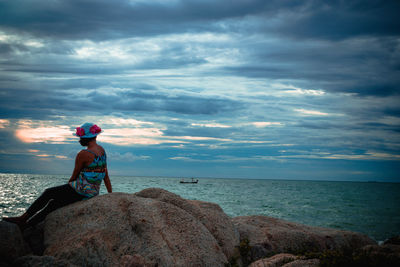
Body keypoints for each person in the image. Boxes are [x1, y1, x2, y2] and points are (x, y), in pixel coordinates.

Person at [3, 122, 112, 229]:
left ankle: (23, 219)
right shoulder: (102, 150)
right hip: (93, 192)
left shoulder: (83, 154)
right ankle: (27, 225)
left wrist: (67, 188)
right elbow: (105, 176)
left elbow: (74, 176)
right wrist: (111, 195)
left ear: (87, 138)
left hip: (80, 191)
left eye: (81, 137)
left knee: (48, 193)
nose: (79, 140)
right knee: (53, 204)